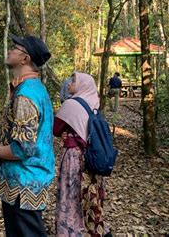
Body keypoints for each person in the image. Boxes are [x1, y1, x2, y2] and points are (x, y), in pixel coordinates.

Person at [0, 35, 55, 237]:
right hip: (23, 180)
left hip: (24, 182)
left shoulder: (26, 95)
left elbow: (23, 148)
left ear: (25, 58)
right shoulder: (33, 89)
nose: (10, 50)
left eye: (15, 48)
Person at [54, 72, 111, 236]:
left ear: (81, 85)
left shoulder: (71, 104)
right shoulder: (94, 103)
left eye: (74, 80)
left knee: (71, 196)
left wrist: (66, 132)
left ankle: (70, 229)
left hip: (74, 156)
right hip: (92, 157)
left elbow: (56, 128)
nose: (70, 83)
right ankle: (95, 228)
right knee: (89, 197)